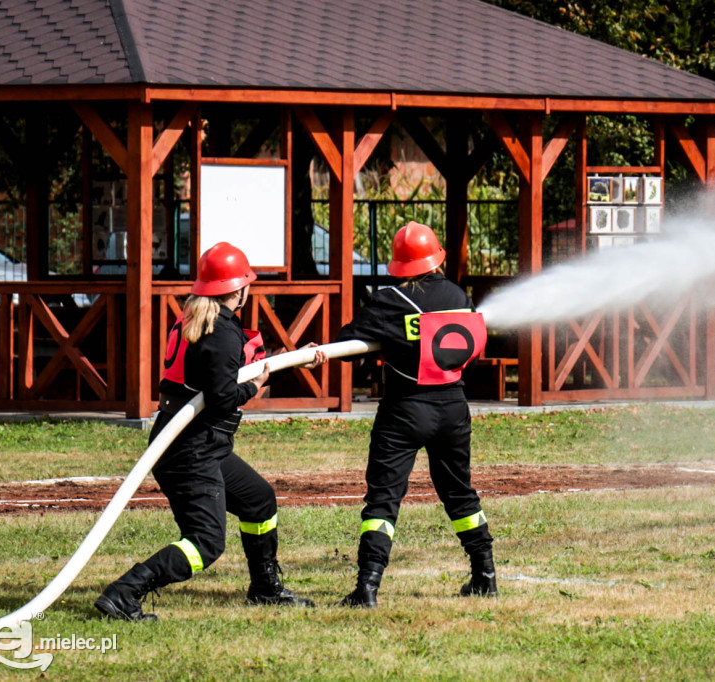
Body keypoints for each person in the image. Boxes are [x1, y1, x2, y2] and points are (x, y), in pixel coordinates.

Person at [95, 242, 326, 621]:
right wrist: (253, 389)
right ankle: (125, 592)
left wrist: (297, 358)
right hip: (191, 449)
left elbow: (235, 371)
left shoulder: (199, 318)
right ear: (240, 289)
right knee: (204, 543)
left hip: (197, 443)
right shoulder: (221, 330)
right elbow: (224, 396)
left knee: (258, 500)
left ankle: (265, 589)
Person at [334, 221, 496, 608]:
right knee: (460, 494)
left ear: (400, 265)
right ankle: (485, 576)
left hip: (405, 410)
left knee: (384, 500)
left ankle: (368, 588)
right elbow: (469, 349)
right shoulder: (458, 294)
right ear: (436, 257)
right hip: (454, 408)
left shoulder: (389, 300)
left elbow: (348, 341)